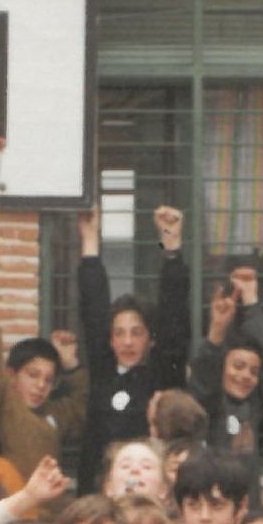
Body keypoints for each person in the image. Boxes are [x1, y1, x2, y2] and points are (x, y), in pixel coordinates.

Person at [75, 205, 189, 489]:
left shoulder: (163, 375)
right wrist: (90, 240)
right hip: (99, 490)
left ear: (150, 338)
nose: (127, 342)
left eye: (136, 333)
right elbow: (92, 308)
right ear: (110, 339)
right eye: (120, 333)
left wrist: (171, 248)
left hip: (145, 491)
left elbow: (174, 315)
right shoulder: (103, 372)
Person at [0, 258, 84, 484]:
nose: (41, 385)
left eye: (49, 380)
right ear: (12, 375)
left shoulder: (54, 415)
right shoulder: (4, 404)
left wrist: (71, 364)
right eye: (32, 375)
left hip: (48, 514)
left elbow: (81, 407)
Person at [185, 259, 263, 467]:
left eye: (253, 371)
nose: (245, 376)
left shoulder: (254, 404)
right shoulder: (208, 405)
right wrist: (217, 329)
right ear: (221, 367)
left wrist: (250, 297)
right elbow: (205, 373)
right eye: (238, 366)